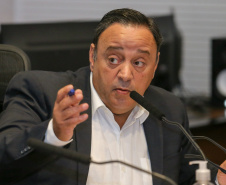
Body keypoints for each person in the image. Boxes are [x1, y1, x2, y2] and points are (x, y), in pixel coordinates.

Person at [0, 8, 225, 185]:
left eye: (138, 63)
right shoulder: (41, 92)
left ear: (155, 65)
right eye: (114, 60)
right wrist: (54, 133)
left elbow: (191, 175)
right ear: (93, 56)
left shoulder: (168, 110)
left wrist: (218, 178)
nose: (125, 75)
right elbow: (4, 161)